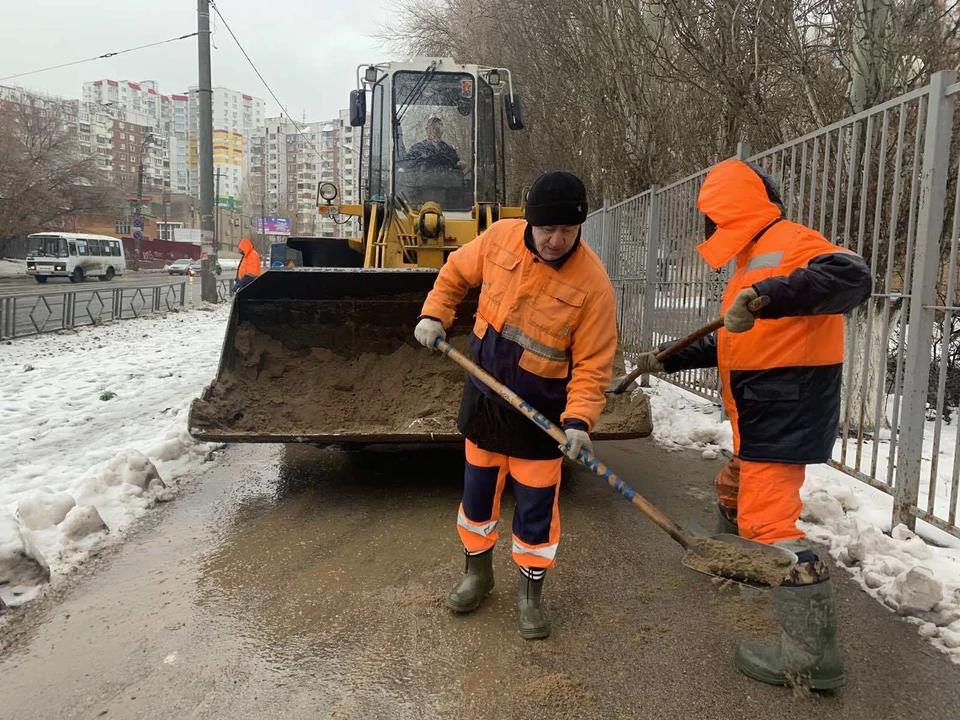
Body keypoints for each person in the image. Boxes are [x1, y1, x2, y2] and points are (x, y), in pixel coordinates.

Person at [632, 159, 872, 689]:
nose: (706, 231)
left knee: (769, 523)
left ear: (728, 208)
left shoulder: (793, 242)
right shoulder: (747, 264)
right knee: (734, 488)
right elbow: (737, 340)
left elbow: (853, 277)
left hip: (786, 405)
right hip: (763, 406)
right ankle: (738, 564)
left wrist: (767, 297)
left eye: (710, 218)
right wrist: (667, 359)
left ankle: (811, 658)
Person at [414, 171, 617, 639]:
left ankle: (530, 596)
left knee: (535, 511)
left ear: (579, 228)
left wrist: (580, 421)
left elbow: (592, 363)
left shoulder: (594, 285)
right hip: (484, 399)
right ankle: (477, 574)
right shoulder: (500, 238)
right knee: (477, 495)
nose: (556, 240)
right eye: (548, 230)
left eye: (567, 231)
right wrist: (433, 313)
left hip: (540, 417)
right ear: (530, 222)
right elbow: (455, 273)